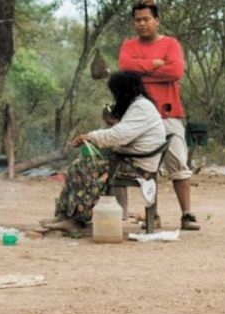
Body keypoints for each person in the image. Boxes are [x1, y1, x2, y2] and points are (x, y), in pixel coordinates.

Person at [44, 72, 166, 233]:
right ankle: (65, 214)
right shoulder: (138, 105)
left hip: (137, 164)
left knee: (84, 168)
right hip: (131, 160)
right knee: (77, 166)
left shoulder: (141, 107)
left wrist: (90, 136)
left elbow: (119, 135)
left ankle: (77, 220)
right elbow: (120, 133)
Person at [118, 1, 200, 231]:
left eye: (146, 19)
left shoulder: (171, 44)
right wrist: (154, 66)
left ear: (157, 20)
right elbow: (124, 68)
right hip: (137, 116)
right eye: (137, 20)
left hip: (167, 113)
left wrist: (140, 71)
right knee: (146, 166)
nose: (142, 24)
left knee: (179, 163)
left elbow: (176, 71)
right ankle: (151, 215)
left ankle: (187, 214)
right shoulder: (128, 45)